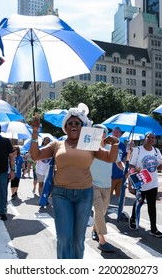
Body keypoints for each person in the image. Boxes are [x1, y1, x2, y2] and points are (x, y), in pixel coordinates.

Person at [30, 106, 120, 259]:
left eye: (77, 123)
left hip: (84, 194)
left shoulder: (90, 143)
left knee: (78, 240)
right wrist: (35, 132)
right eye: (70, 123)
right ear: (65, 127)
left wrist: (115, 144)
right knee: (64, 238)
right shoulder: (56, 144)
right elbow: (35, 155)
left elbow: (110, 158)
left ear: (82, 126)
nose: (73, 125)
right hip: (61, 195)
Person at [90, 124, 124, 253]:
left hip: (107, 185)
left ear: (106, 134)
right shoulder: (90, 148)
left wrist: (126, 169)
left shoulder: (111, 148)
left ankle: (94, 229)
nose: (100, 134)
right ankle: (102, 241)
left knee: (102, 211)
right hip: (93, 185)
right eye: (96, 132)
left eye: (102, 132)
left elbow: (118, 163)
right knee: (98, 210)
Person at [128, 131, 162, 238]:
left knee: (152, 206)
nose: (151, 139)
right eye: (148, 137)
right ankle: (133, 218)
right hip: (140, 182)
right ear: (145, 138)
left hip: (153, 183)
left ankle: (153, 229)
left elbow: (159, 168)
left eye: (153, 138)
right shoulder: (138, 150)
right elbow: (130, 167)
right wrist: (131, 183)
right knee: (139, 202)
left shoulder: (156, 151)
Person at [110, 127, 127, 198]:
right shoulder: (107, 144)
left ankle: (119, 209)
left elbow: (125, 159)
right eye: (114, 132)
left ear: (120, 134)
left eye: (117, 132)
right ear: (112, 133)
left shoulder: (122, 145)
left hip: (120, 176)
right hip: (109, 176)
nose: (116, 134)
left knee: (120, 198)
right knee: (106, 198)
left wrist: (130, 150)